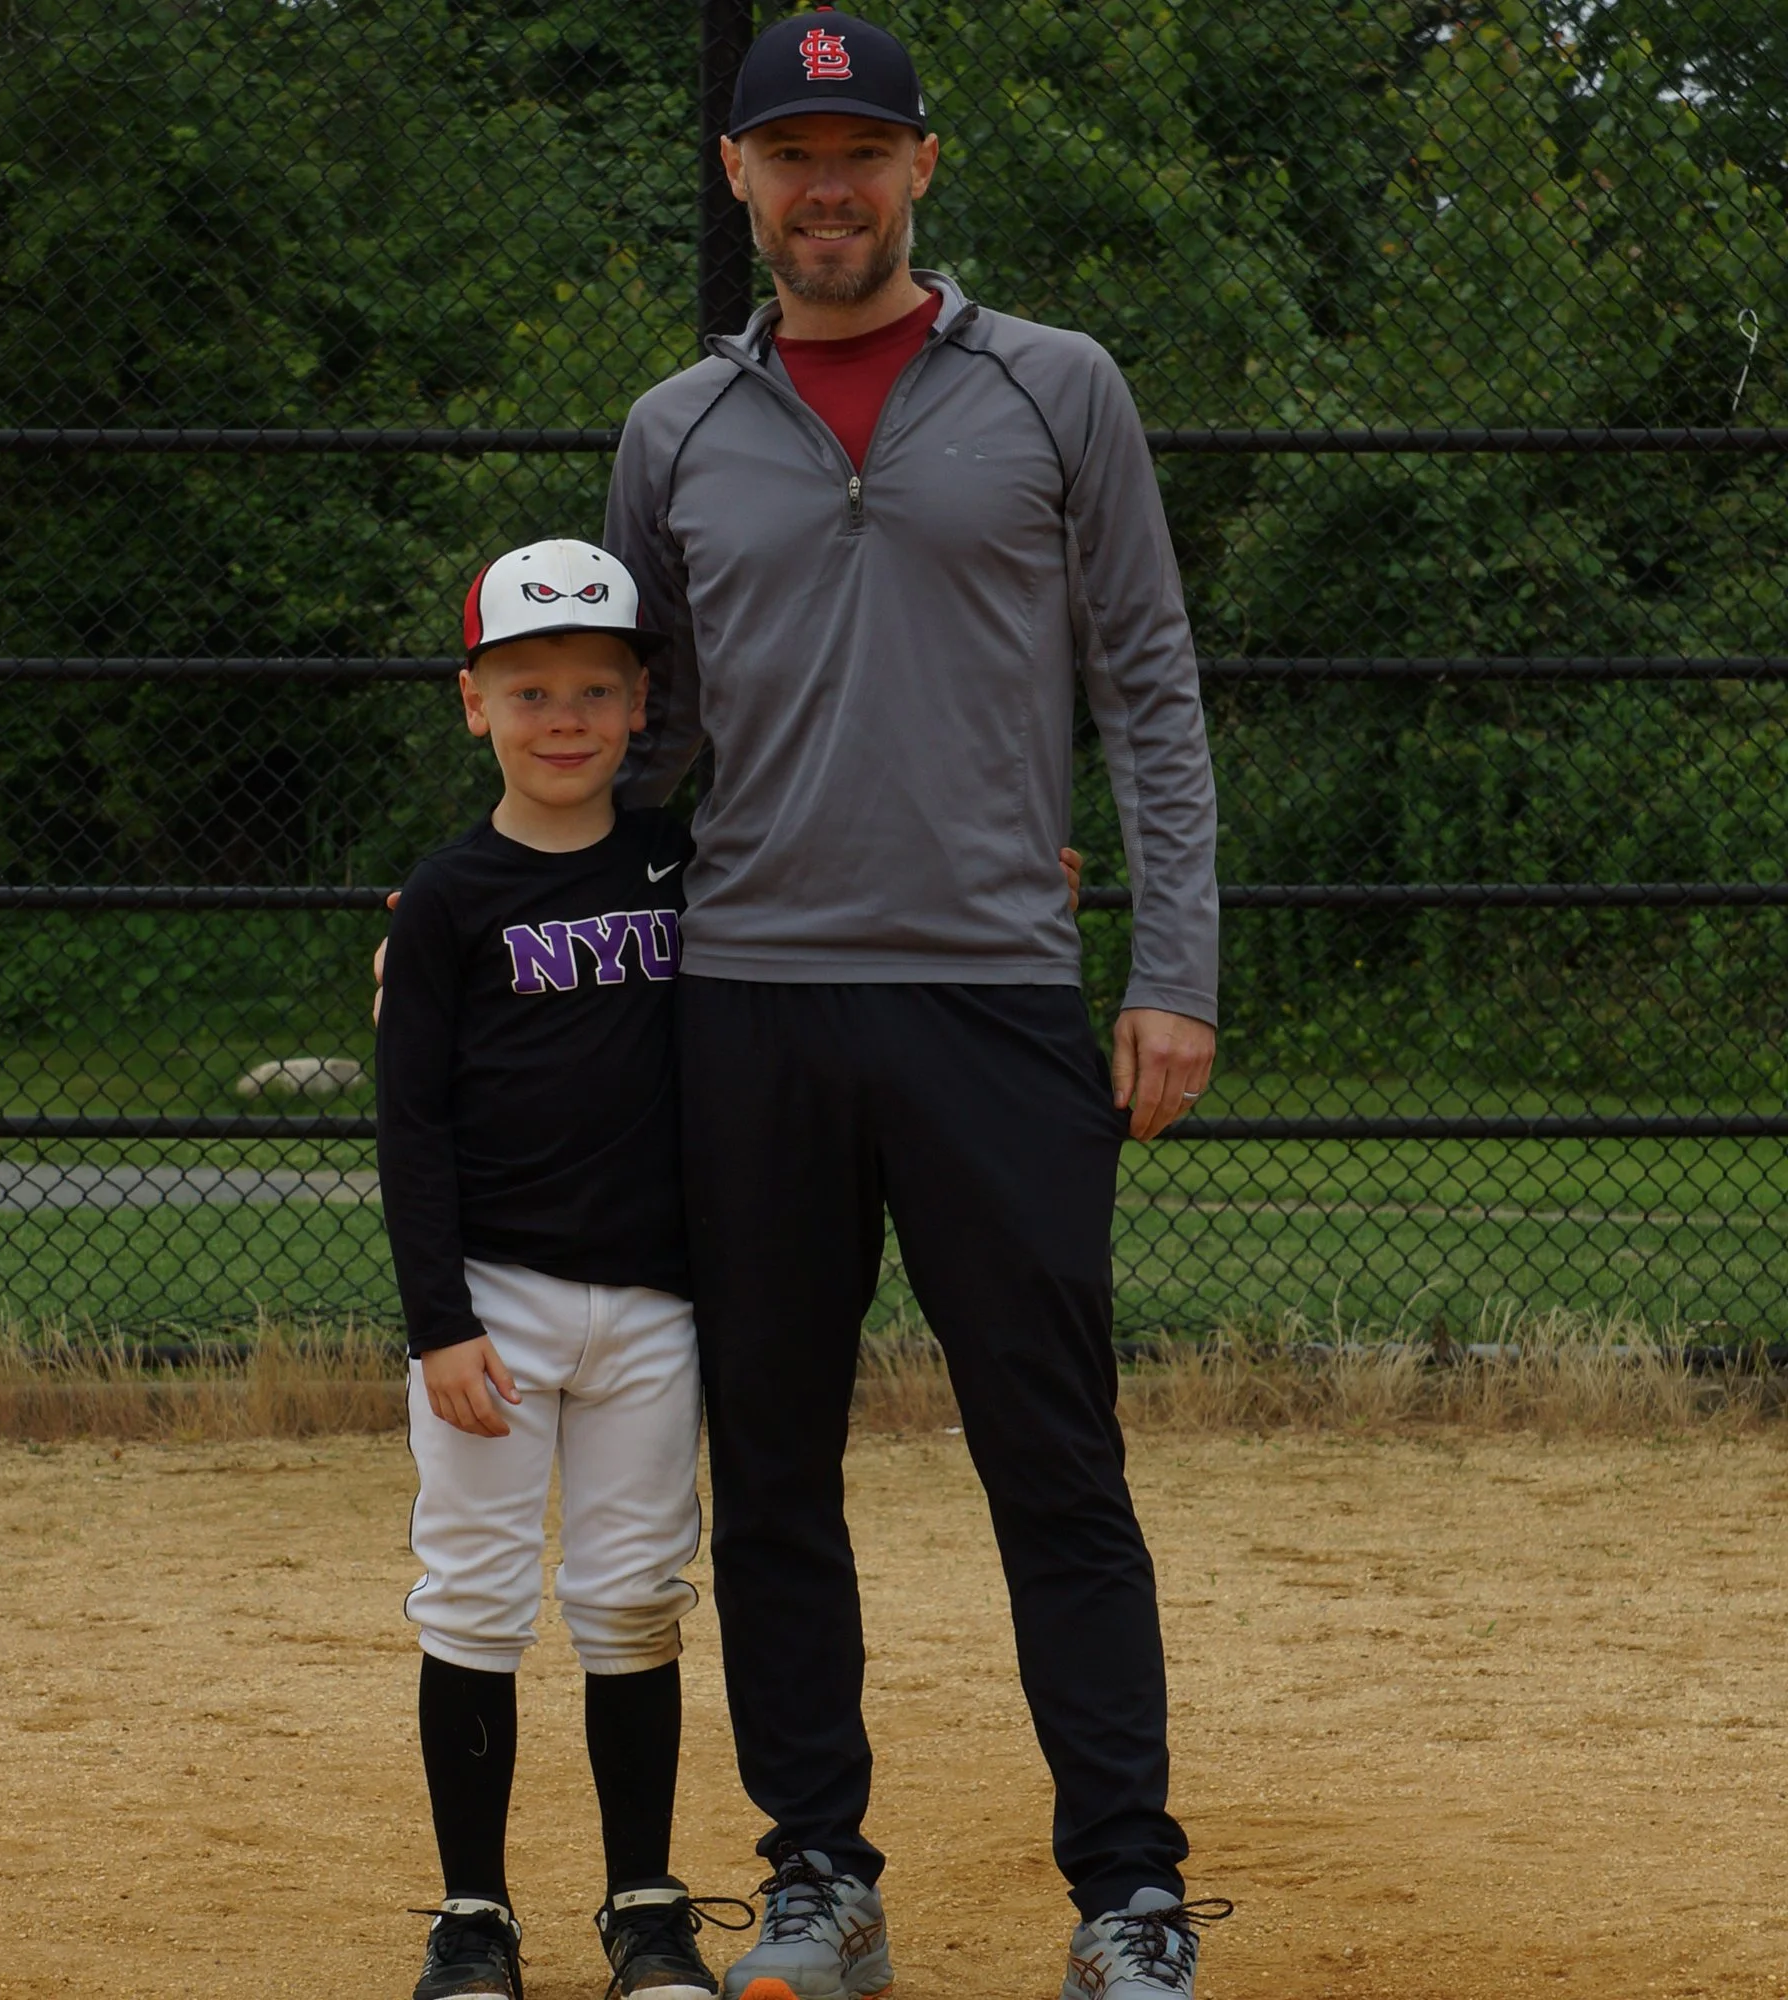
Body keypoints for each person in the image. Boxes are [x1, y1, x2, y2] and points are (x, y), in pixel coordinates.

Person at [600, 12, 1228, 2000]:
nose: (829, 186)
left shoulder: (1057, 387)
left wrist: (1174, 970)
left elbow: (1147, 683)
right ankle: (818, 1877)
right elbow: (633, 737)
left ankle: (1127, 1891)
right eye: (792, 154)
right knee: (771, 1466)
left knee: (1054, 1459)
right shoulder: (672, 431)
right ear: (738, 179)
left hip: (991, 1001)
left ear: (922, 169)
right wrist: (483, 904)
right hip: (750, 1006)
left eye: (862, 149)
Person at [375, 536, 748, 2000]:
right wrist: (439, 1323)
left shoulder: (688, 859)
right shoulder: (447, 899)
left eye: (598, 687)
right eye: (529, 690)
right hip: (499, 1302)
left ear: (644, 703)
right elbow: (411, 1128)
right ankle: (474, 1916)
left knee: (636, 1596)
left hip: (655, 1302)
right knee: (473, 1595)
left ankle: (643, 1906)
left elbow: (840, 880)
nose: (567, 718)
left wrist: (1003, 871)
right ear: (474, 703)